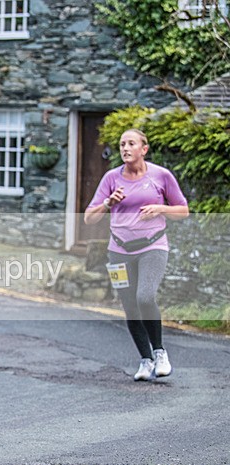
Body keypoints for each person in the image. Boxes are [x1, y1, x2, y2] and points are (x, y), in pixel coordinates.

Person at [84, 128, 188, 381]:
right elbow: (89, 218)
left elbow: (183, 211)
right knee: (130, 306)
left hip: (152, 246)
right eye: (122, 144)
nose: (125, 148)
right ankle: (145, 360)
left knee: (145, 296)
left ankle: (160, 352)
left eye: (131, 143)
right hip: (118, 251)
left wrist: (159, 208)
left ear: (144, 149)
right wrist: (108, 203)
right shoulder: (110, 178)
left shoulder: (161, 176)